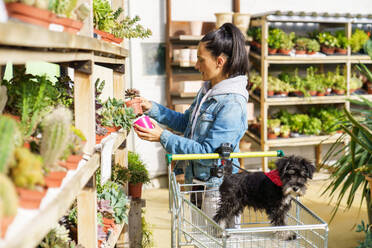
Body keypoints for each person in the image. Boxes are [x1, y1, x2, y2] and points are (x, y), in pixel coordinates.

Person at [134, 23, 249, 221]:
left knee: (217, 241)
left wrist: (163, 137)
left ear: (219, 61)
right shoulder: (208, 91)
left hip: (219, 188)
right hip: (198, 182)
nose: (196, 66)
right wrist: (152, 108)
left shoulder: (232, 103)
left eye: (200, 59)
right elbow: (185, 122)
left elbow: (210, 153)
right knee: (202, 239)